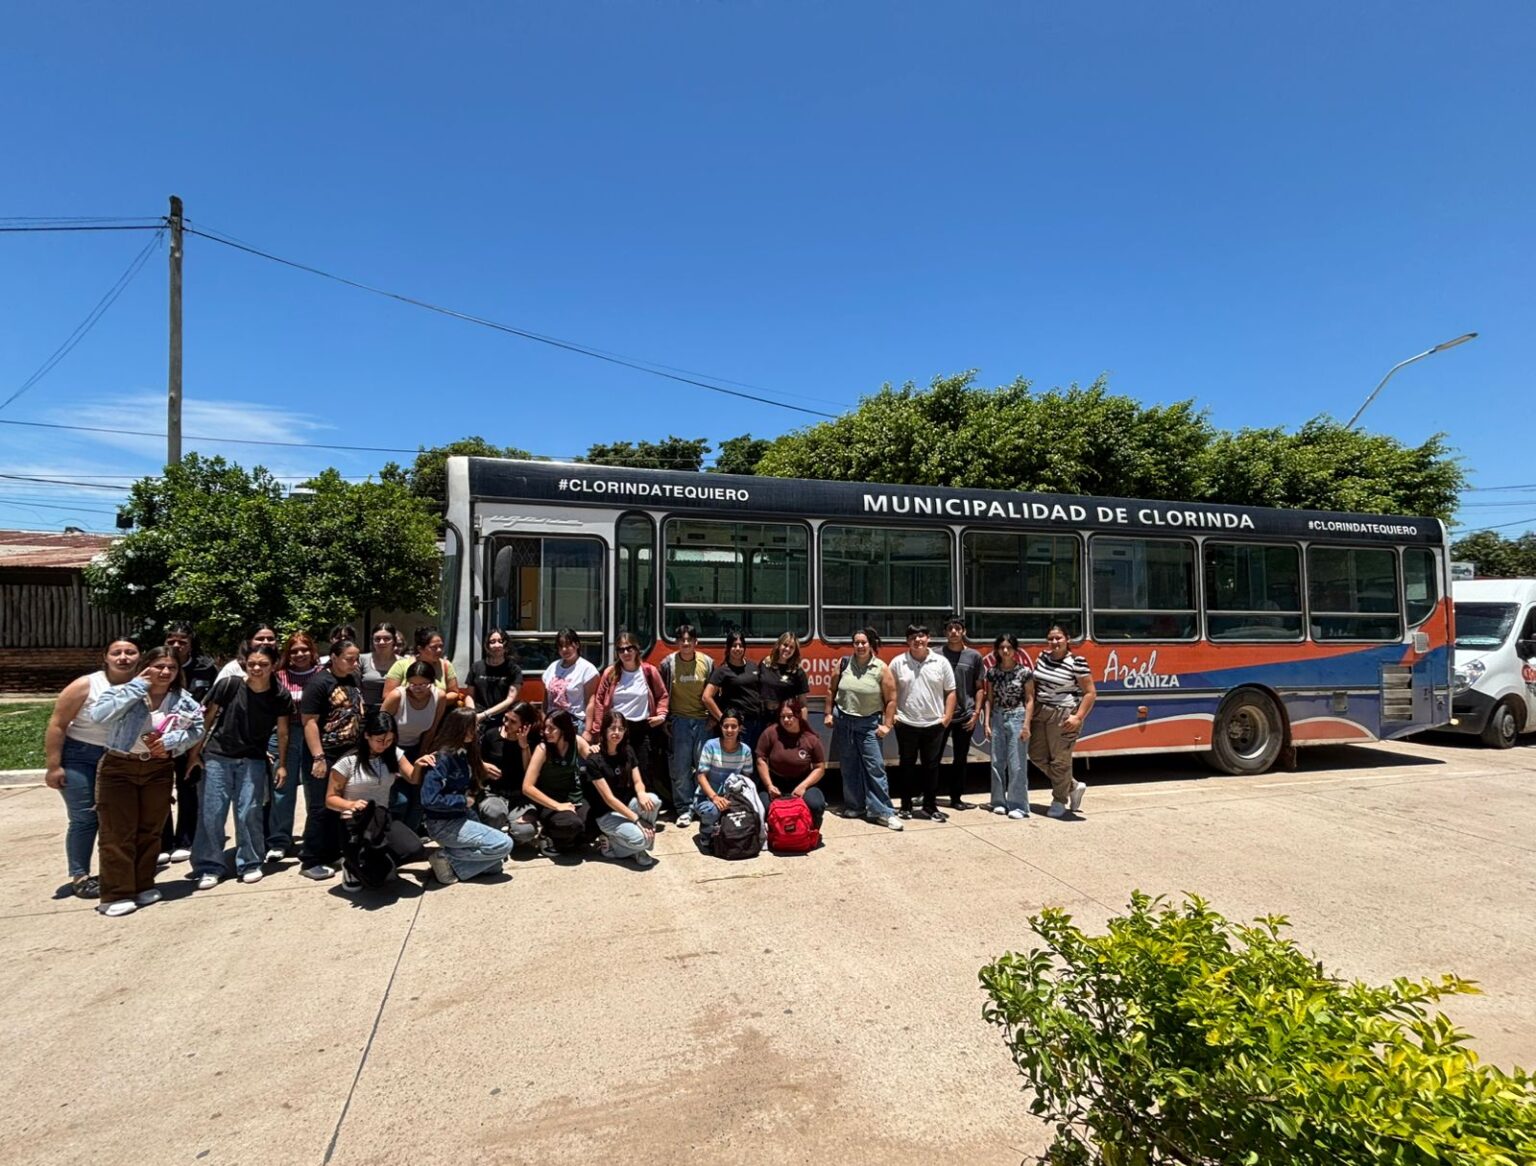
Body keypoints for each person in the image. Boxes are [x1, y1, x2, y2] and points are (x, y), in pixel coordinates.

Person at [84, 647, 205, 917]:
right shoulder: (125, 690)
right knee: (117, 831)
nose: (164, 672)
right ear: (146, 666)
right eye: (159, 666)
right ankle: (116, 893)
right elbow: (100, 715)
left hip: (158, 768)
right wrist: (137, 686)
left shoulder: (183, 700)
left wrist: (172, 743)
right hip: (119, 767)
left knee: (151, 830)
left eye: (171, 668)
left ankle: (143, 884)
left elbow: (198, 729)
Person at [188, 644, 295, 888]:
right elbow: (206, 720)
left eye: (263, 664)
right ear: (244, 662)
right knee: (212, 813)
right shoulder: (229, 685)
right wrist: (195, 754)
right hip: (217, 756)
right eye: (252, 663)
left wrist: (282, 765)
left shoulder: (279, 695)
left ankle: (250, 862)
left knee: (249, 812)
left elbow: (284, 732)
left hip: (253, 759)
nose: (257, 668)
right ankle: (209, 866)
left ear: (274, 666)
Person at [42, 637, 141, 899]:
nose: (123, 657)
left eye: (130, 652)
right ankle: (81, 876)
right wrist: (53, 766)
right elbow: (58, 724)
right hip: (80, 756)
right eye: (117, 652)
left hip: (119, 757)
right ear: (105, 657)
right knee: (85, 818)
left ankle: (114, 871)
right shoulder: (87, 684)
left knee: (118, 819)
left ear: (139, 657)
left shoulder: (141, 684)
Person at [414, 708, 515, 885]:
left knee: (494, 866)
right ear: (458, 728)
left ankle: (452, 865)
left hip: (462, 816)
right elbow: (429, 799)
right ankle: (445, 857)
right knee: (504, 845)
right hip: (443, 823)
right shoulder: (442, 758)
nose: (475, 731)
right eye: (471, 727)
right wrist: (462, 801)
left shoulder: (463, 753)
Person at [325, 710, 422, 892]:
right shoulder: (347, 762)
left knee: (414, 848)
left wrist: (420, 765)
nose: (384, 745)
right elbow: (330, 800)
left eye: (389, 740)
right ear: (367, 735)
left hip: (381, 817)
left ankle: (380, 863)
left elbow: (413, 778)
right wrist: (351, 804)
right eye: (379, 740)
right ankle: (352, 865)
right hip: (355, 823)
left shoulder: (393, 753)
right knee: (374, 882)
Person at [297, 639, 365, 880]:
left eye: (356, 658)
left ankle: (330, 852)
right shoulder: (318, 683)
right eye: (349, 658)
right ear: (333, 657)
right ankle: (310, 859)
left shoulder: (353, 678)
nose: (354, 663)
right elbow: (309, 722)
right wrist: (318, 757)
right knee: (320, 807)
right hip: (325, 753)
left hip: (349, 753)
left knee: (339, 805)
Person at [824, 627, 901, 830]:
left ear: (870, 644)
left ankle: (883, 811)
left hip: (869, 724)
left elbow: (891, 699)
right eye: (856, 642)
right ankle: (855, 806)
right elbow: (831, 690)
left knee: (874, 767)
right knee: (849, 766)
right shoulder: (843, 664)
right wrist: (828, 714)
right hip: (844, 721)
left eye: (863, 642)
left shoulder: (881, 668)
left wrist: (887, 725)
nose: (859, 646)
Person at [584, 631, 668, 801]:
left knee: (643, 770)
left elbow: (662, 695)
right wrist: (598, 730)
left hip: (642, 728)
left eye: (629, 648)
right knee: (619, 770)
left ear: (637, 649)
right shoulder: (610, 673)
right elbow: (600, 701)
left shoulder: (649, 671)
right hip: (618, 728)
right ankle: (624, 807)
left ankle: (646, 808)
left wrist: (661, 714)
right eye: (621, 650)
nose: (626, 653)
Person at [161, 621, 218, 862]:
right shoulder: (157, 665)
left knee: (189, 788)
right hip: (160, 739)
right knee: (161, 789)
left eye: (182, 641)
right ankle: (163, 842)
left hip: (192, 738)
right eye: (171, 640)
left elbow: (213, 706)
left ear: (191, 644)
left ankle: (185, 839)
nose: (176, 645)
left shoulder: (206, 669)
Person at [888, 624, 956, 822]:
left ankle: (930, 806)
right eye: (913, 637)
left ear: (929, 638)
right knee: (906, 765)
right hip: (906, 723)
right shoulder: (898, 663)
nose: (917, 640)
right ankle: (906, 806)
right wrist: (892, 716)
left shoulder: (941, 662)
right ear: (907, 641)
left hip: (934, 724)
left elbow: (951, 691)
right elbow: (889, 691)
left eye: (921, 636)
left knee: (931, 767)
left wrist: (946, 718)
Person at [576, 711, 661, 867]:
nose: (616, 733)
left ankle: (637, 847)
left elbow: (637, 781)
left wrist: (641, 793)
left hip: (626, 805)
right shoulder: (594, 760)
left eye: (620, 729)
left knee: (653, 800)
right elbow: (609, 799)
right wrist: (637, 820)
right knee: (642, 839)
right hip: (606, 813)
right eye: (612, 728)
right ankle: (613, 847)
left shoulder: (627, 751)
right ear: (604, 730)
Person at [1030, 625, 1095, 818]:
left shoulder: (1077, 662)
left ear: (1067, 639)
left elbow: (1090, 693)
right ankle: (1072, 786)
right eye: (1051, 638)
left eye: (1058, 638)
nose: (1054, 642)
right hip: (1041, 712)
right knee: (1036, 755)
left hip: (1063, 714)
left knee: (1060, 760)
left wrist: (1078, 717)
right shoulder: (1042, 658)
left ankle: (1059, 800)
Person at [265, 632, 321, 859]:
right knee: (282, 788)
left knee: (314, 788)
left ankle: (313, 838)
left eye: (304, 650)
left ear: (312, 651)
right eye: (294, 651)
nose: (299, 654)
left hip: (314, 735)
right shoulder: (278, 676)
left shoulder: (322, 675)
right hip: (284, 735)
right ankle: (279, 840)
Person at [659, 624, 713, 827]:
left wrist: (714, 719)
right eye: (682, 640)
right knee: (680, 770)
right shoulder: (668, 664)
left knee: (703, 767)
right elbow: (662, 693)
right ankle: (684, 809)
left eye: (690, 640)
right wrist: (665, 719)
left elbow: (714, 691)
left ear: (696, 642)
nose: (686, 643)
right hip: (679, 722)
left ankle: (703, 805)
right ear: (677, 642)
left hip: (702, 722)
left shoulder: (706, 663)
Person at [980, 633, 1036, 819]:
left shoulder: (1025, 672)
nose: (1005, 650)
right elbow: (989, 699)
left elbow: (1029, 700)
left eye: (1009, 647)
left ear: (1015, 650)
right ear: (997, 650)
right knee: (996, 762)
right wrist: (986, 723)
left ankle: (1018, 805)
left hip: (1017, 716)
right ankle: (998, 802)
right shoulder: (992, 673)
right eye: (1002, 647)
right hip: (997, 716)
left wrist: (1026, 725)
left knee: (1017, 764)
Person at [520, 711, 590, 855]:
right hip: (551, 802)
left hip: (575, 798)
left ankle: (569, 841)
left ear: (563, 729)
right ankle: (547, 835)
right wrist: (558, 806)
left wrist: (596, 752)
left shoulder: (577, 742)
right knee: (571, 825)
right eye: (545, 728)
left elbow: (597, 765)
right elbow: (527, 787)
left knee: (593, 823)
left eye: (551, 728)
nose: (546, 732)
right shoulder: (543, 749)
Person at [755, 700, 827, 834]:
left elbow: (819, 768)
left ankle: (811, 832)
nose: (786, 720)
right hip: (775, 781)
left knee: (816, 805)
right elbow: (761, 760)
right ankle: (772, 834)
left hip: (802, 782)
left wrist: (803, 786)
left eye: (790, 716)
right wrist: (769, 785)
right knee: (762, 806)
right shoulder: (770, 733)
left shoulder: (810, 739)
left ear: (798, 716)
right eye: (783, 717)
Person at [477, 702, 542, 848]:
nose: (506, 723)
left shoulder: (533, 740)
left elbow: (530, 772)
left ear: (525, 725)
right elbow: (477, 761)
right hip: (495, 792)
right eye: (506, 718)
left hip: (520, 796)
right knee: (494, 813)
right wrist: (483, 766)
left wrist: (524, 747)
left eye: (513, 722)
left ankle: (512, 840)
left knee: (525, 832)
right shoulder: (492, 735)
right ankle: (494, 840)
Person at [692, 709, 760, 846]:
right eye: (726, 726)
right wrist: (715, 797)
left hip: (733, 797)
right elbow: (701, 776)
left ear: (740, 728)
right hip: (708, 797)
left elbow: (746, 778)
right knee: (711, 811)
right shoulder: (710, 746)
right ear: (720, 727)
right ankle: (706, 832)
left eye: (734, 726)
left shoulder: (745, 750)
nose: (729, 730)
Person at [940, 617, 985, 811]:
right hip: (940, 715)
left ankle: (956, 797)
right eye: (949, 628)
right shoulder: (936, 655)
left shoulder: (974, 657)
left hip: (965, 715)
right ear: (945, 632)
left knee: (960, 759)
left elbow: (979, 688)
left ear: (963, 631)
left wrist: (976, 713)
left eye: (957, 628)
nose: (953, 632)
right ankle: (927, 795)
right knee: (932, 758)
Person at [702, 630, 763, 749]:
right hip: (739, 725)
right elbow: (706, 697)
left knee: (754, 759)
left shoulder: (753, 667)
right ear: (728, 648)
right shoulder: (722, 671)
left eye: (741, 646)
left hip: (757, 722)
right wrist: (723, 719)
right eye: (734, 646)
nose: (738, 648)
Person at [380, 661, 447, 763]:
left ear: (432, 682)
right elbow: (379, 727)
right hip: (389, 748)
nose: (417, 689)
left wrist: (421, 755)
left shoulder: (439, 697)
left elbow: (431, 730)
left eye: (423, 684)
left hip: (416, 748)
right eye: (413, 684)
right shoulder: (397, 696)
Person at [382, 627, 466, 701]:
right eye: (434, 647)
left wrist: (436, 701)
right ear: (420, 649)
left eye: (441, 646)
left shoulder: (446, 666)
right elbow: (387, 696)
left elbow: (454, 693)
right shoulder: (401, 665)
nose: (439, 650)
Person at [541, 628, 599, 736]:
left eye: (567, 645)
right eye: (560, 646)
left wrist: (587, 730)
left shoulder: (587, 669)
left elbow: (590, 702)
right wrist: (544, 723)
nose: (564, 649)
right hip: (552, 723)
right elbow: (545, 701)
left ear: (576, 645)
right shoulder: (552, 667)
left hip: (574, 724)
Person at [468, 627, 524, 740]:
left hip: (501, 720)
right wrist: (472, 715)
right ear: (487, 646)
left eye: (500, 641)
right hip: (477, 719)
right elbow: (469, 695)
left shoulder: (514, 669)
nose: (496, 645)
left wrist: (484, 715)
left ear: (506, 645)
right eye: (492, 642)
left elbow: (510, 699)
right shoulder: (476, 667)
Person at [757, 632, 809, 732]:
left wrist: (802, 727)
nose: (787, 649)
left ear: (795, 651)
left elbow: (803, 704)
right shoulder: (765, 663)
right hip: (762, 717)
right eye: (785, 645)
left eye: (791, 647)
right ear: (779, 645)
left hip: (784, 718)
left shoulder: (797, 672)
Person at [357, 622, 400, 711]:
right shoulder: (362, 659)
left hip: (394, 712)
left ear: (394, 641)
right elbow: (355, 688)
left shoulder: (403, 663)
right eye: (377, 639)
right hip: (365, 711)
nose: (381, 642)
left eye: (387, 638)